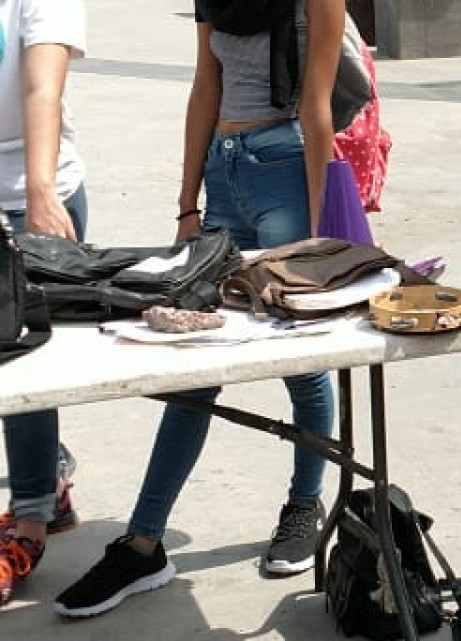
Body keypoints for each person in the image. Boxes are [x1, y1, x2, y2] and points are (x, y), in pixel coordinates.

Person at [52, 0, 347, 618]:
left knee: (301, 357)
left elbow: (318, 110)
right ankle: (144, 542)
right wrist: (188, 203)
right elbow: (205, 85)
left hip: (286, 168)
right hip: (226, 173)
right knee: (193, 368)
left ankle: (305, 501)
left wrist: (324, 242)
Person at [0, 0, 87, 607]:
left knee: (18, 361)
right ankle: (48, 473)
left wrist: (39, 192)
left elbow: (41, 87)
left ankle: (31, 516)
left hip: (30, 194)